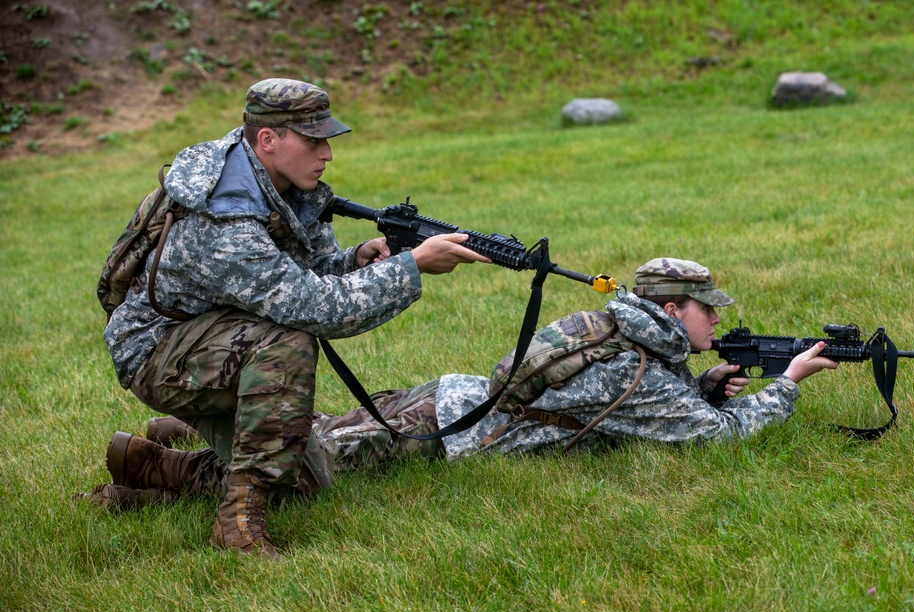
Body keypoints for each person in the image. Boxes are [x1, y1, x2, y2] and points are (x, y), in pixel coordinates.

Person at [79, 258, 837, 512]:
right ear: (674, 310)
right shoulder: (644, 369)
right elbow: (717, 438)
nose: (714, 322)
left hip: (450, 396)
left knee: (325, 432)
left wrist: (700, 384)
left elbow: (618, 405)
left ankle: (166, 453)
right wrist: (790, 382)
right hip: (446, 435)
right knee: (301, 472)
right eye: (708, 311)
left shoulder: (617, 328)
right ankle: (158, 469)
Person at [97, 78, 488, 559]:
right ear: (268, 140)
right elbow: (316, 309)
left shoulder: (281, 186)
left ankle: (157, 465)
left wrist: (359, 259)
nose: (327, 153)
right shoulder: (226, 217)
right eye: (314, 140)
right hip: (159, 351)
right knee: (286, 344)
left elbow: (307, 273)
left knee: (304, 481)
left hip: (213, 334)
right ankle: (238, 522)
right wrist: (411, 267)